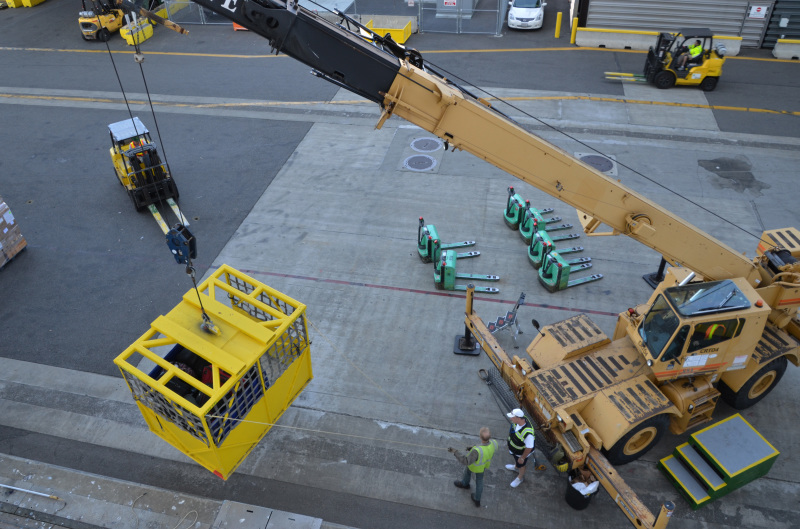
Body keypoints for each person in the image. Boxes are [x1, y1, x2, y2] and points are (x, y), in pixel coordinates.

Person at [449, 427, 497, 507]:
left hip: (475, 466)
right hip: (484, 465)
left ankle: (465, 484)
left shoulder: (476, 451)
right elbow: (485, 448)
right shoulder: (494, 443)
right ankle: (477, 499)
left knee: (468, 472)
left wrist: (455, 452)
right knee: (480, 481)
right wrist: (473, 447)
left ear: (480, 437)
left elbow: (466, 461)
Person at [505, 408, 535, 488]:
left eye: (512, 417)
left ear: (518, 418)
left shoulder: (528, 434)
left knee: (522, 465)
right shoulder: (519, 421)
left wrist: (522, 458)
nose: (510, 419)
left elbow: (529, 447)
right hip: (515, 450)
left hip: (521, 453)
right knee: (517, 461)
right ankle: (515, 467)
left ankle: (520, 478)